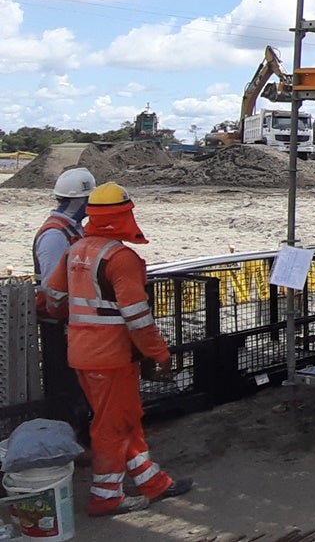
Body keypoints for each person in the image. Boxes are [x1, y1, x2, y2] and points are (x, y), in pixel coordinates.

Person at [41, 183, 191, 516]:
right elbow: (138, 317)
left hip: (81, 354)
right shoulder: (121, 258)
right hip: (111, 359)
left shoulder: (75, 250)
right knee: (112, 426)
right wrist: (159, 354)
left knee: (125, 418)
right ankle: (106, 496)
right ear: (125, 215)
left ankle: (153, 482)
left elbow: (52, 299)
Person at [33, 167, 96, 441]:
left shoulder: (72, 230)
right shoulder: (55, 235)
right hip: (58, 324)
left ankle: (78, 435)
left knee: (78, 386)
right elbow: (52, 288)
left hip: (72, 322)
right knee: (66, 386)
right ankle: (68, 440)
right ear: (79, 201)